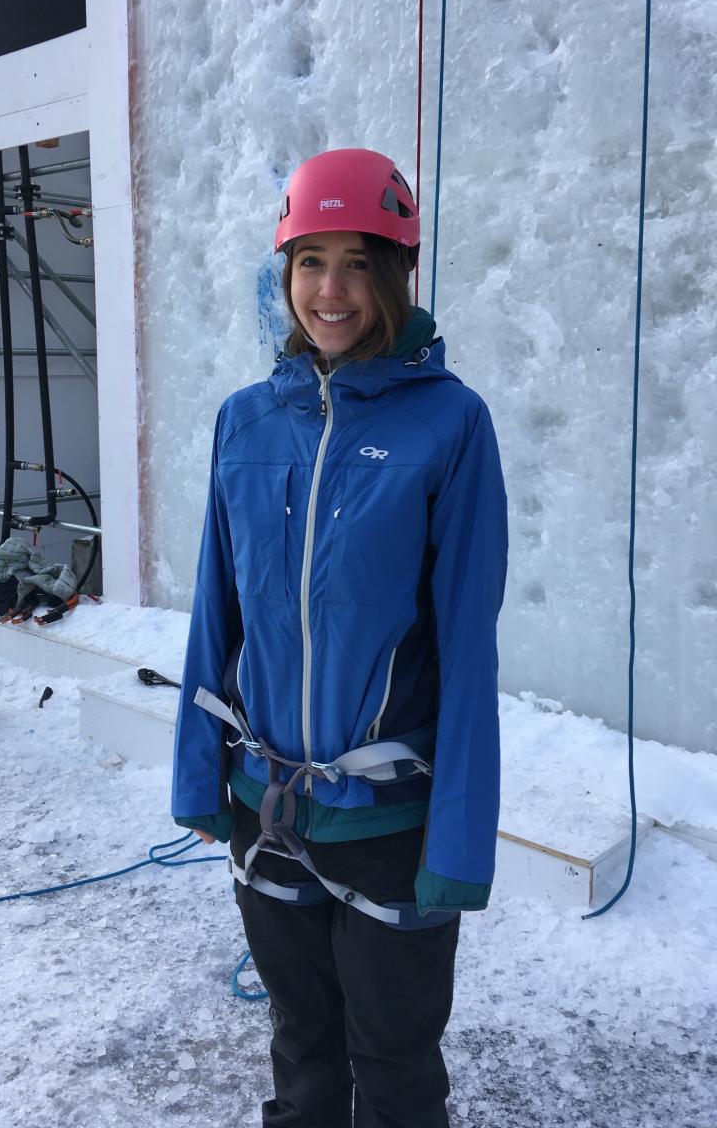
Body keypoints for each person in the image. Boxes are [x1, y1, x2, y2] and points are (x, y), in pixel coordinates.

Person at [172, 149, 508, 1128]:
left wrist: (459, 838)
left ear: (396, 272)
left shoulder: (450, 425)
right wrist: (200, 779)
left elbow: (469, 649)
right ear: (285, 275)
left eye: (358, 261)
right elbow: (213, 614)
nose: (331, 288)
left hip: (388, 823)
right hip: (265, 809)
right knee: (303, 1051)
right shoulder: (245, 420)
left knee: (396, 1067)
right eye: (310, 259)